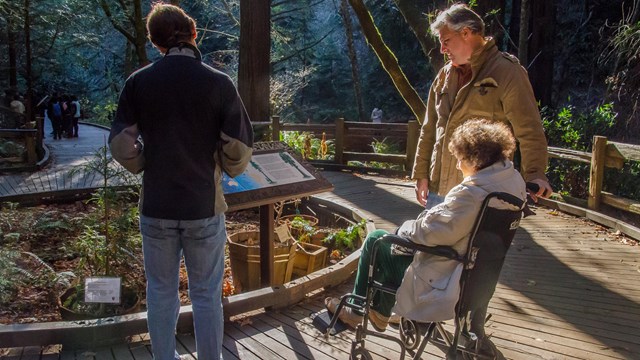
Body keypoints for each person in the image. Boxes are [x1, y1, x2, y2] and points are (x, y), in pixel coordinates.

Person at [109, 4, 253, 360]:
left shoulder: (138, 83)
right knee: (206, 294)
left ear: (156, 43)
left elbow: (119, 144)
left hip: (156, 205)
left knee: (160, 292)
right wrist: (222, 165)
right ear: (193, 32)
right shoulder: (218, 83)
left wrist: (146, 161)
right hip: (202, 206)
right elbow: (238, 150)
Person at [325, 119, 526, 333]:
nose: (458, 165)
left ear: (475, 159)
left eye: (459, 159)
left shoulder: (472, 195)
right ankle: (385, 309)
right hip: (476, 277)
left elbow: (428, 234)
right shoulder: (513, 182)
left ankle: (357, 311)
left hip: (445, 277)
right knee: (395, 246)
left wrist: (403, 229)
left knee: (379, 241)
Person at [413, 4, 552, 209]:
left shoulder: (507, 71)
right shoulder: (444, 76)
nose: (442, 49)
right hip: (439, 190)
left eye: (446, 41)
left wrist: (535, 174)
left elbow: (529, 129)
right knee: (428, 241)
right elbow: (429, 129)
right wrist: (421, 174)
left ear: (466, 33)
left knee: (478, 243)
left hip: (483, 192)